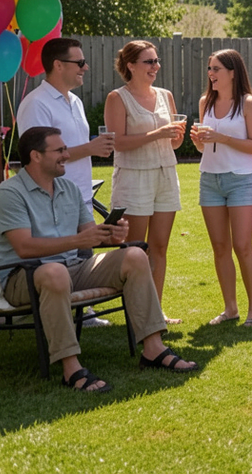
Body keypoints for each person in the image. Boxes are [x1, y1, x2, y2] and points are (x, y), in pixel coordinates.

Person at [0, 127, 199, 392]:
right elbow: (24, 247)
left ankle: (153, 349)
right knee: (54, 272)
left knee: (135, 256)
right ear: (35, 156)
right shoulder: (10, 193)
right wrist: (77, 242)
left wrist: (111, 234)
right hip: (24, 276)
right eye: (60, 151)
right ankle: (71, 369)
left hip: (71, 269)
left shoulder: (68, 188)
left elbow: (89, 235)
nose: (67, 155)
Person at [16, 37, 116, 328]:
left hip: (79, 193)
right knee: (58, 256)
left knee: (81, 255)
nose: (85, 67)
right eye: (79, 62)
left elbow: (69, 147)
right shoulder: (35, 104)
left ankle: (83, 310)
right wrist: (90, 148)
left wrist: (90, 147)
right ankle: (61, 312)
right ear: (58, 65)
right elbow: (40, 157)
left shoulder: (76, 102)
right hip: (50, 197)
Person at [103, 40, 186, 323]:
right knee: (136, 249)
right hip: (133, 177)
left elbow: (173, 143)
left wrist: (177, 137)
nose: (156, 66)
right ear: (130, 66)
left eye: (156, 60)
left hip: (165, 174)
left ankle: (156, 312)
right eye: (149, 62)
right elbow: (119, 144)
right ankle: (136, 315)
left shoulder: (165, 95)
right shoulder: (118, 98)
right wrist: (158, 133)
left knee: (159, 247)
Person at [190, 49, 252, 327]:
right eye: (209, 68)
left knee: (242, 246)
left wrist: (220, 136)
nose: (211, 74)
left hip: (241, 180)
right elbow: (203, 147)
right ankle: (230, 308)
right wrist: (198, 140)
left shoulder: (247, 103)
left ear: (233, 72)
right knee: (220, 247)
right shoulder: (204, 103)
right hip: (210, 179)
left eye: (216, 69)